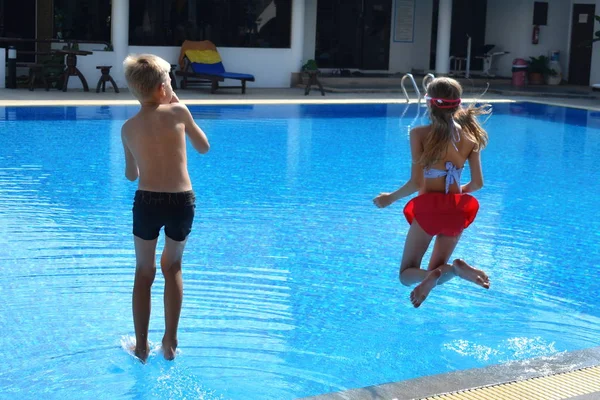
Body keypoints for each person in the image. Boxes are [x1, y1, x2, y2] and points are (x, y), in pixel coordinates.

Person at [121, 54, 210, 362]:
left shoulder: (129, 127)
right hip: (181, 201)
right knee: (172, 267)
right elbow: (203, 146)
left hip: (147, 202)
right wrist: (177, 103)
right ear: (163, 89)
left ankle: (142, 347)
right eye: (170, 81)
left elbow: (131, 175)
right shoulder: (179, 112)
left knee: (144, 271)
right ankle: (170, 342)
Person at [373, 77, 490, 308]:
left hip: (429, 209)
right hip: (457, 210)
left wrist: (390, 198)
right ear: (457, 104)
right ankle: (456, 270)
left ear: (429, 103)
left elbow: (416, 182)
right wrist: (456, 192)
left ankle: (437, 275)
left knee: (407, 273)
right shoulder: (471, 138)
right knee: (439, 270)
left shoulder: (419, 134)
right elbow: (477, 184)